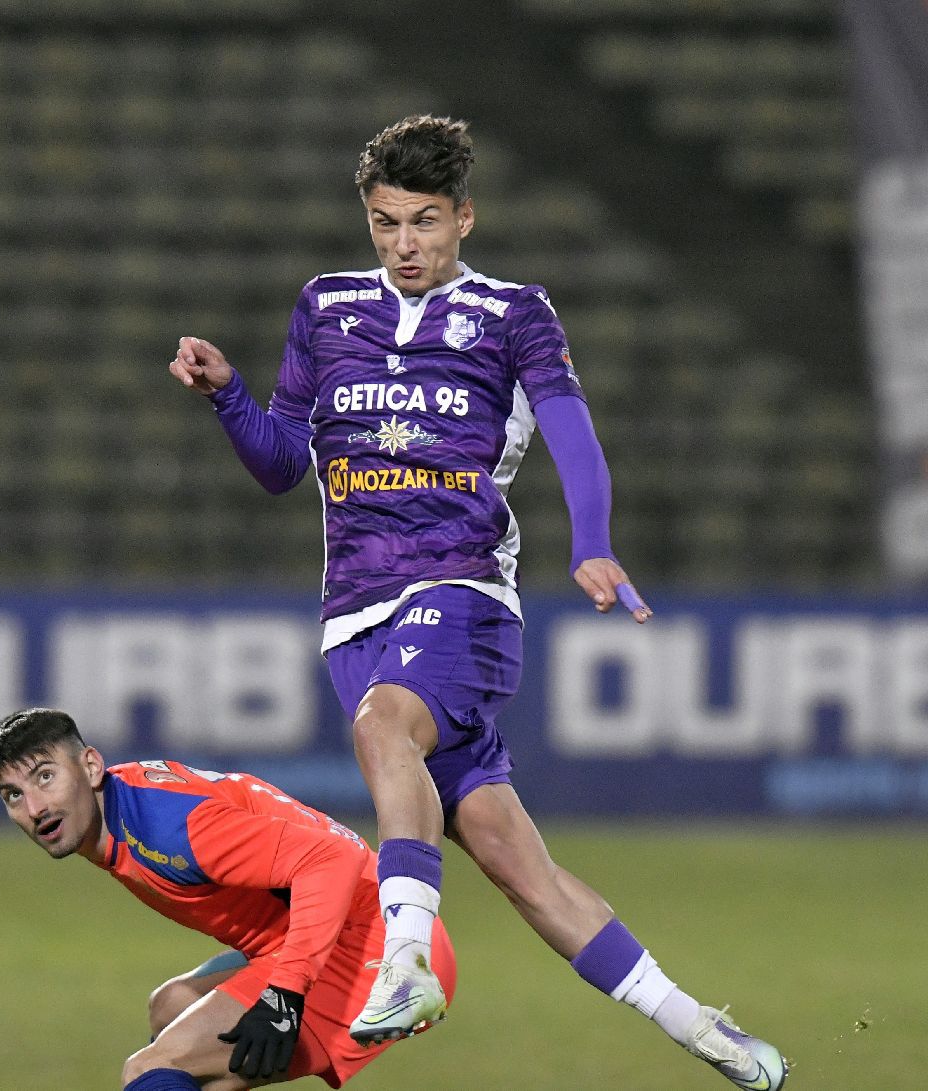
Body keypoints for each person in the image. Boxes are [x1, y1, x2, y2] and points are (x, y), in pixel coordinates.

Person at [168, 114, 788, 1088]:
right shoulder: (325, 308)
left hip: (461, 589)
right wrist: (229, 396)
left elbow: (573, 429)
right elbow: (287, 463)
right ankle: (705, 1029)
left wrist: (592, 541)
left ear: (464, 217)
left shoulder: (513, 313)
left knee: (384, 728)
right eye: (384, 223)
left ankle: (405, 960)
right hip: (353, 615)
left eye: (423, 222)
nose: (404, 245)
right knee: (513, 858)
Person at [0, 707, 457, 1091]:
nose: (35, 808)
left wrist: (285, 994)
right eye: (12, 795)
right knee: (171, 1009)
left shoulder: (167, 828)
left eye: (44, 777)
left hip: (372, 948)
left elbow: (329, 859)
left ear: (91, 766)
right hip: (336, 929)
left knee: (150, 1070)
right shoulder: (126, 803)